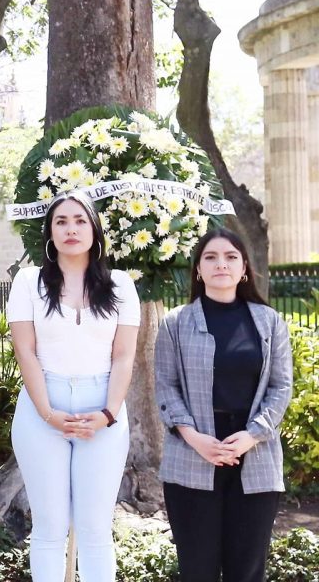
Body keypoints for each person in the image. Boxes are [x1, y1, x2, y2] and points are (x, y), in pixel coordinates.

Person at [7, 191, 139, 582]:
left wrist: (108, 414)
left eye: (80, 220)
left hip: (102, 409)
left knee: (96, 528)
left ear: (95, 230)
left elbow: (123, 357)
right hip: (41, 408)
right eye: (61, 221)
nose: (71, 229)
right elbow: (26, 352)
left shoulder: (120, 286)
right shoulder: (29, 282)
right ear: (49, 231)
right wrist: (48, 413)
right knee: (49, 527)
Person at [155, 228, 293, 582]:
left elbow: (281, 387)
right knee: (197, 569)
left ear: (244, 267)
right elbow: (166, 388)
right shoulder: (175, 323)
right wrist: (194, 437)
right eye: (211, 257)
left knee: (247, 570)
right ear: (198, 270)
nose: (221, 264)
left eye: (231, 257)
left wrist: (253, 434)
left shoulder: (270, 322)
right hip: (192, 453)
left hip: (255, 454)